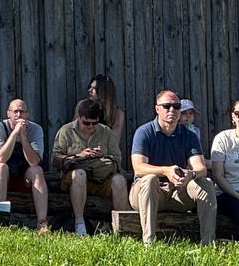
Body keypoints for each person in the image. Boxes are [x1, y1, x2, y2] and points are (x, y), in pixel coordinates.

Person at [130, 89, 217, 245]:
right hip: (149, 193)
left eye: (176, 106)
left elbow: (201, 168)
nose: (172, 110)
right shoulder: (144, 132)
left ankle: (209, 243)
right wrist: (165, 170)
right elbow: (139, 168)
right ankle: (149, 244)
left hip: (177, 192)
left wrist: (190, 174)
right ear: (157, 109)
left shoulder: (189, 136)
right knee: (150, 179)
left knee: (206, 183)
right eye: (167, 106)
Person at [53, 98, 129, 235]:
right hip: (74, 179)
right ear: (79, 118)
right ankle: (79, 224)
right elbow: (56, 159)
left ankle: (122, 227)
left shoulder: (106, 132)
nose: (90, 126)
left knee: (119, 180)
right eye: (86, 123)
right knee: (79, 174)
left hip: (101, 178)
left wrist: (103, 154)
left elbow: (118, 159)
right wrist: (78, 155)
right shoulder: (66, 131)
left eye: (94, 123)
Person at [0, 98, 50, 233]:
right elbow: (0, 159)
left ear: (27, 114)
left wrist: (23, 137)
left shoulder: (35, 129)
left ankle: (42, 223)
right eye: (15, 111)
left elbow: (34, 161)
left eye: (22, 112)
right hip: (1, 176)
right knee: (1, 167)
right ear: (8, 113)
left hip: (23, 175)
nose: (18, 115)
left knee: (37, 170)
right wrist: (13, 134)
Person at [209, 98, 239, 223]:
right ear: (233, 116)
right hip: (227, 193)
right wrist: (237, 196)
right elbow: (218, 176)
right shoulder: (223, 139)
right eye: (238, 113)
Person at [87, 74, 126, 143]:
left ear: (104, 91)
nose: (89, 90)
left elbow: (115, 141)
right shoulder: (83, 107)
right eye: (90, 87)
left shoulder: (117, 114)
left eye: (94, 88)